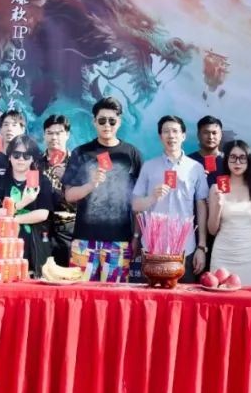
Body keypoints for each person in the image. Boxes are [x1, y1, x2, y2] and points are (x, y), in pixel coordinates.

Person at [62, 97, 143, 282]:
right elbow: (69, 196)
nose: (107, 125)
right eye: (102, 120)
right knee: (80, 294)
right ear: (94, 122)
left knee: (114, 295)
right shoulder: (81, 153)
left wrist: (136, 236)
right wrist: (90, 185)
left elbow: (138, 202)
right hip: (84, 241)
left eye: (112, 121)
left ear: (119, 122)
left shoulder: (132, 154)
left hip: (119, 241)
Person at [132, 116, 210, 283]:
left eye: (175, 131)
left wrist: (201, 246)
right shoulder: (149, 166)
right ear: (160, 137)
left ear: (183, 136)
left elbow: (201, 206)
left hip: (185, 248)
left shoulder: (195, 168)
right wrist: (152, 197)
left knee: (183, 296)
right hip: (152, 248)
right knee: (151, 297)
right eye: (166, 131)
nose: (171, 135)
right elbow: (136, 204)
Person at [0, 135, 54, 276]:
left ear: (32, 159)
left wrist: (12, 219)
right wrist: (22, 203)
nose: (21, 159)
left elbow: (43, 214)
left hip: (34, 247)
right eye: (16, 155)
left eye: (26, 155)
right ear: (9, 157)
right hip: (4, 250)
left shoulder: (42, 181)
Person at [207, 140, 251, 285]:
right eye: (233, 157)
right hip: (222, 255)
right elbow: (212, 230)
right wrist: (218, 205)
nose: (238, 162)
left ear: (249, 161)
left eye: (242, 158)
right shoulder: (216, 188)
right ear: (226, 160)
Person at [40, 114, 75, 266]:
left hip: (69, 231)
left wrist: (66, 178)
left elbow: (86, 197)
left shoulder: (77, 163)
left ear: (67, 135)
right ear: (44, 135)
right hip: (41, 228)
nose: (54, 137)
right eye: (49, 133)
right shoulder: (35, 163)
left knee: (66, 274)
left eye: (59, 133)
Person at [188, 115, 224, 188]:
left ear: (220, 136)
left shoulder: (229, 161)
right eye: (206, 132)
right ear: (198, 135)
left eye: (214, 133)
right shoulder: (188, 161)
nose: (210, 137)